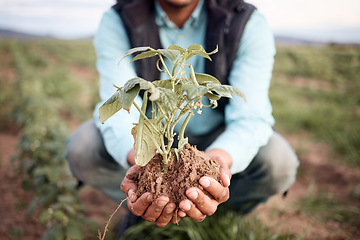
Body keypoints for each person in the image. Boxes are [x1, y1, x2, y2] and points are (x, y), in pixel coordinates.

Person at [66, 0, 299, 230]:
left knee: (278, 162)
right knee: (83, 146)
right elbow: (119, 109)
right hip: (155, 144)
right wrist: (142, 160)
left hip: (218, 136)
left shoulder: (244, 19)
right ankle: (144, 208)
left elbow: (250, 117)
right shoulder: (120, 16)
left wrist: (217, 160)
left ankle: (214, 216)